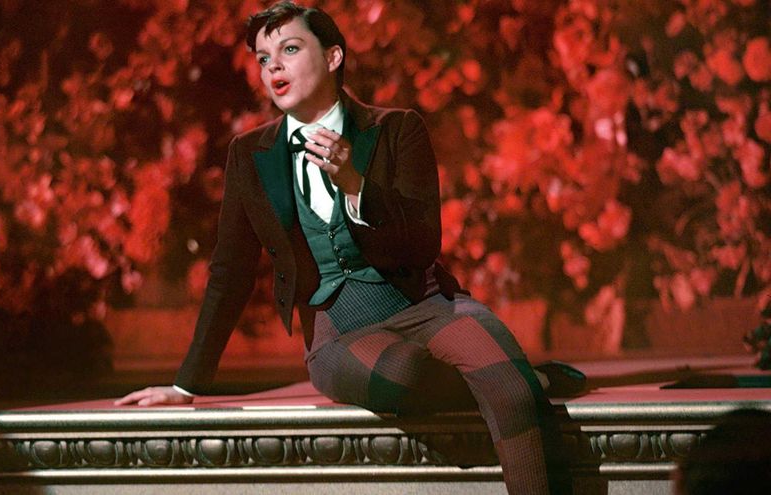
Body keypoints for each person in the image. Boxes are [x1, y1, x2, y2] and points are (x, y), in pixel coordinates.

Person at [117, 2, 575, 492]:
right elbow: (230, 272)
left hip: (426, 303)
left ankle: (515, 382)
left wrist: (356, 184)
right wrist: (186, 386)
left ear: (333, 57)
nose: (273, 67)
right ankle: (527, 379)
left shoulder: (397, 129)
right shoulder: (249, 155)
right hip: (338, 332)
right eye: (264, 58)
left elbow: (424, 244)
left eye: (290, 49)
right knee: (411, 374)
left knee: (510, 391)